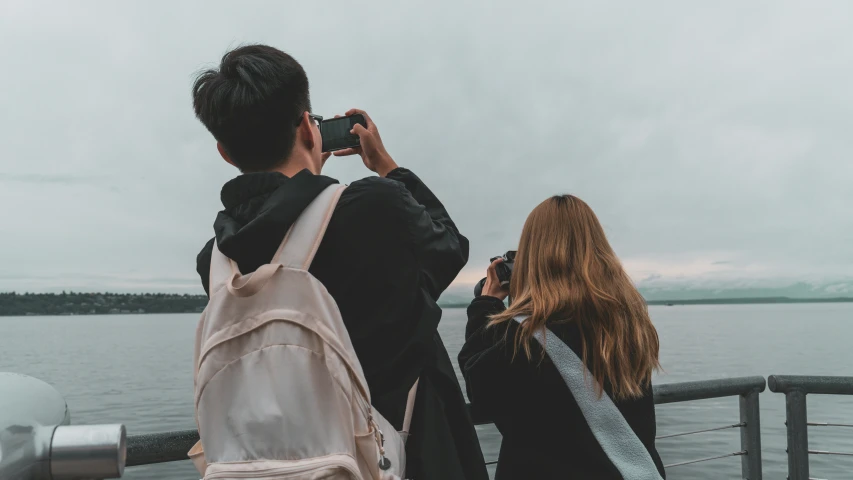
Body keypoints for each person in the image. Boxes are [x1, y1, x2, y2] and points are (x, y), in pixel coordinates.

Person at [192, 45, 488, 480]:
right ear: (309, 130)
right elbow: (449, 247)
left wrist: (305, 181)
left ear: (225, 152)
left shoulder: (217, 260)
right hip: (406, 459)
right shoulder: (375, 208)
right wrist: (385, 164)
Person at [459, 195, 666, 480]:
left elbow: (478, 385)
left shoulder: (524, 338)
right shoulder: (628, 324)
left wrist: (487, 305)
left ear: (533, 256)